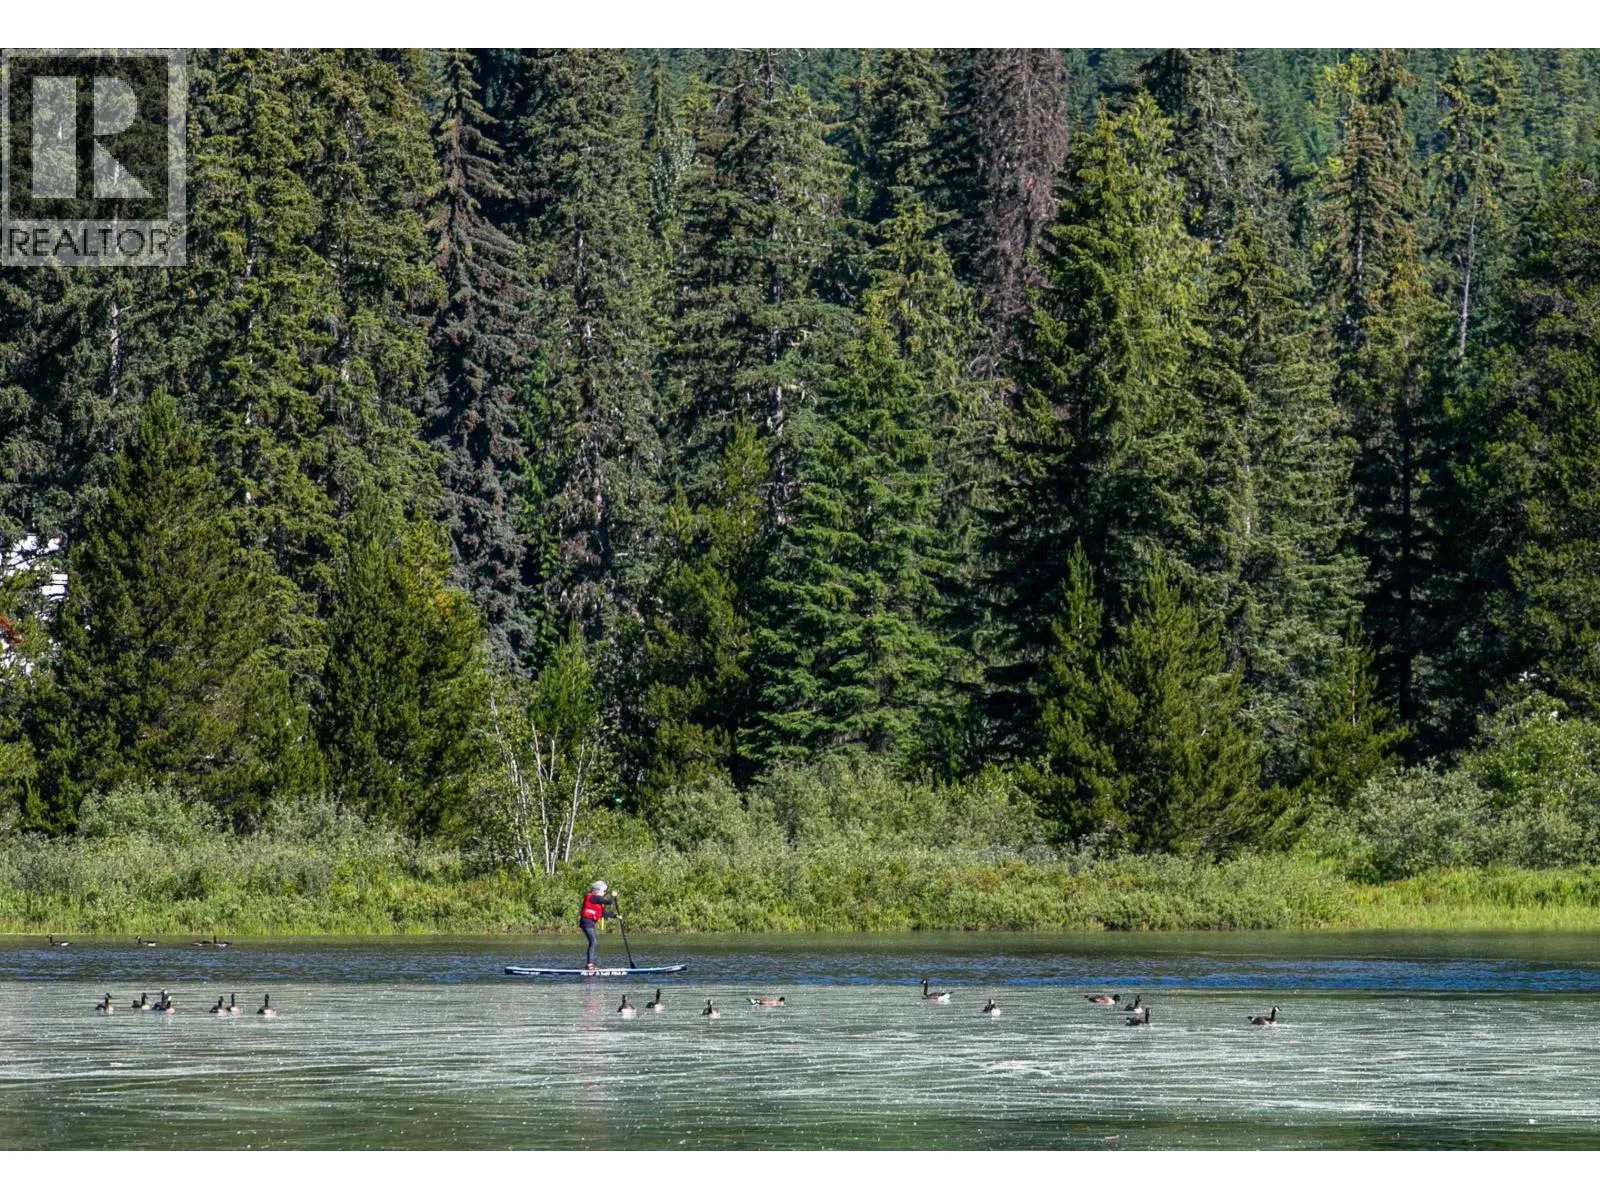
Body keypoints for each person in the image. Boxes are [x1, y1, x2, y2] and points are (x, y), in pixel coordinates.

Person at [579, 880, 618, 970]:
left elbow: (602, 913)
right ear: (598, 891)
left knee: (592, 942)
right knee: (593, 942)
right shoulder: (593, 897)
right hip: (586, 922)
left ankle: (589, 964)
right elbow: (609, 901)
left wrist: (615, 916)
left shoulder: (597, 900)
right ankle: (590, 965)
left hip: (589, 923)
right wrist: (613, 896)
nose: (605, 893)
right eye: (604, 891)